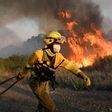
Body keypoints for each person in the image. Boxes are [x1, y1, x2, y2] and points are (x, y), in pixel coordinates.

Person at [16, 31, 91, 112]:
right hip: (36, 83)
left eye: (59, 44)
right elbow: (28, 66)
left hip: (45, 83)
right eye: (57, 44)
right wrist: (21, 75)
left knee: (42, 104)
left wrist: (83, 76)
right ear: (50, 43)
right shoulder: (38, 54)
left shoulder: (59, 57)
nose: (58, 46)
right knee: (51, 108)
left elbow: (71, 67)